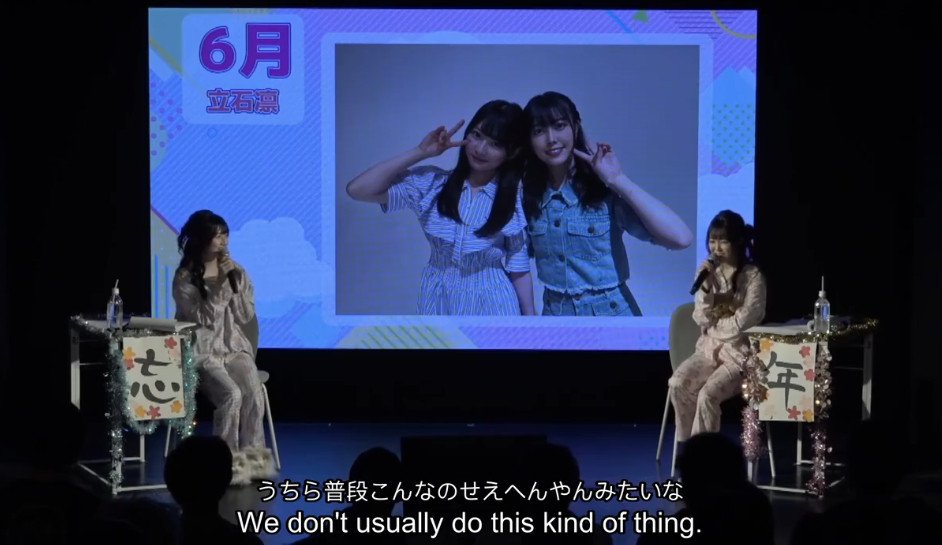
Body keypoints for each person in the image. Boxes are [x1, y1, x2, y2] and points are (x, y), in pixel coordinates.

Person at [346, 99, 535, 315]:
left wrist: (530, 320)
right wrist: (421, 151)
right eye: (477, 135)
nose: (480, 149)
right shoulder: (431, 184)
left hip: (494, 299)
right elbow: (358, 189)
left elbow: (519, 267)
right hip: (438, 295)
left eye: (496, 144)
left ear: (511, 152)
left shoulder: (514, 197)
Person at [522, 91, 693, 316]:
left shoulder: (602, 191)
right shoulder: (527, 196)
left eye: (560, 125)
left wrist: (617, 179)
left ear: (575, 126)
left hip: (612, 315)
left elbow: (681, 238)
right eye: (539, 131)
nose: (551, 138)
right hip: (556, 318)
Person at [172, 209, 275, 485]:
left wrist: (234, 283)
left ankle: (252, 464)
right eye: (218, 236)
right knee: (232, 395)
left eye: (226, 235)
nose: (224, 241)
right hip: (203, 353)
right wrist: (224, 288)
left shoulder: (236, 271)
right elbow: (204, 318)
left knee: (253, 392)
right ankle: (224, 465)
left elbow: (244, 315)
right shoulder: (184, 277)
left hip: (234, 348)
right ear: (202, 239)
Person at [668, 210, 766, 441]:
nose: (716, 248)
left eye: (723, 241)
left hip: (739, 357)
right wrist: (705, 287)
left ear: (737, 242)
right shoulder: (707, 272)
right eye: (712, 241)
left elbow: (742, 324)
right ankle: (688, 447)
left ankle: (704, 455)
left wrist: (714, 326)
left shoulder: (753, 277)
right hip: (707, 351)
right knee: (677, 383)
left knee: (707, 395)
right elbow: (701, 318)